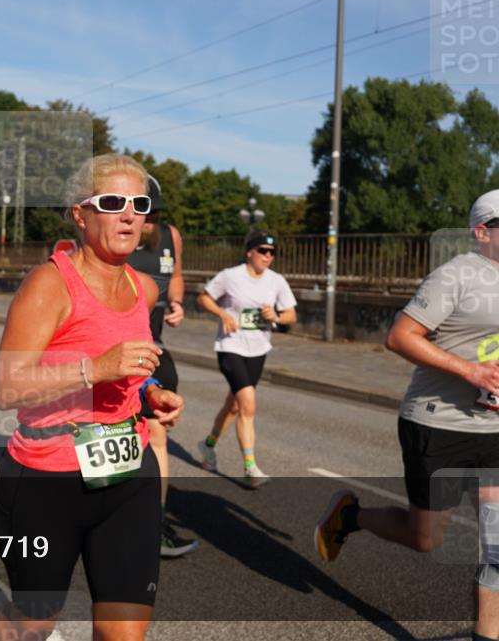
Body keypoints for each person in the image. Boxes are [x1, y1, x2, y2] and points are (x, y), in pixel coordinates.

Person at [0, 153, 184, 641]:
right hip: (47, 478)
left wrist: (150, 393)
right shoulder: (50, 285)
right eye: (113, 202)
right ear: (81, 213)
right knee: (34, 623)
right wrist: (95, 369)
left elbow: (127, 369)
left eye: (138, 203)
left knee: (124, 634)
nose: (130, 215)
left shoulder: (145, 289)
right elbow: (7, 387)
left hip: (126, 470)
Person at [316, 190, 499, 641]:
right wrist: (469, 371)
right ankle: (351, 517)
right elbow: (400, 337)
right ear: (482, 232)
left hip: (492, 428)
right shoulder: (456, 276)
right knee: (427, 539)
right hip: (437, 425)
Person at [127, 175, 198, 558]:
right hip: (113, 350)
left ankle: (154, 523)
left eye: (154, 212)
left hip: (152, 349)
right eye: (142, 211)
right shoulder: (118, 237)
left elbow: (177, 276)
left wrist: (176, 304)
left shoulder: (171, 235)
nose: (148, 220)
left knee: (156, 437)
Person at [196, 229, 297, 488]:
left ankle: (208, 445)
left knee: (235, 406)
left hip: (258, 349)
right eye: (263, 250)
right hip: (230, 347)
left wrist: (274, 316)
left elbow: (291, 316)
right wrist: (223, 314)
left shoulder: (276, 281)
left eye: (272, 252)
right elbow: (203, 298)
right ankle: (250, 466)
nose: (268, 256)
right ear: (249, 252)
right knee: (248, 404)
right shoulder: (231, 276)